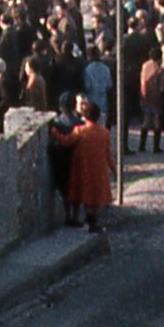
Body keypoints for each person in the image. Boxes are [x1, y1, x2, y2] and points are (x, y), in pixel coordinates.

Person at [50, 99, 115, 233]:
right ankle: (93, 221)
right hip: (98, 168)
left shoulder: (80, 131)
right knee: (95, 197)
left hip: (82, 166)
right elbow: (109, 154)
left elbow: (66, 141)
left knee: (82, 192)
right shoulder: (105, 133)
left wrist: (55, 133)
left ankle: (80, 218)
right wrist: (114, 169)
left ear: (84, 116)